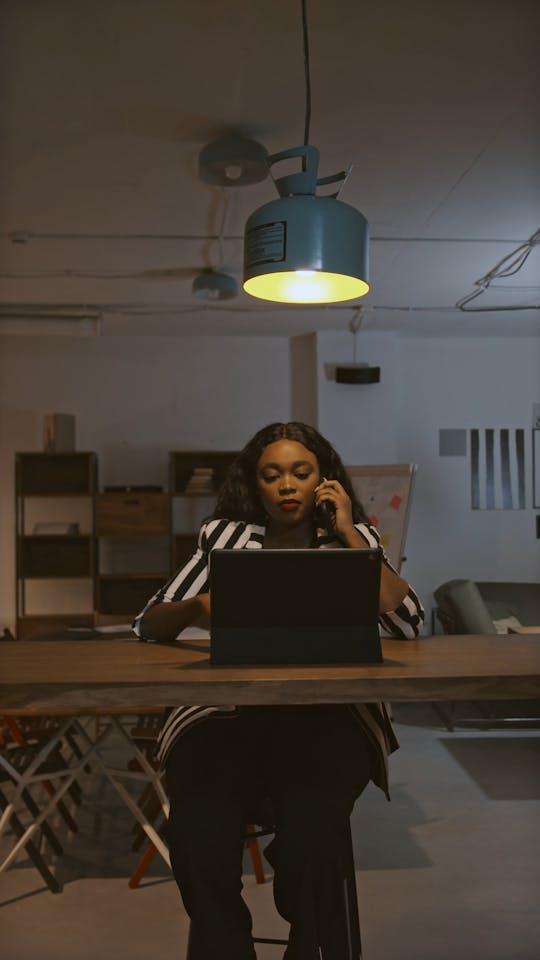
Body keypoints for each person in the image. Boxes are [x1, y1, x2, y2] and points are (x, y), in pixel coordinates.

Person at [133, 421, 424, 960]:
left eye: (301, 472)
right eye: (272, 475)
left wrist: (351, 536)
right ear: (256, 484)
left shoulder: (352, 540)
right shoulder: (223, 538)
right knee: (196, 834)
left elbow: (407, 624)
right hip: (223, 719)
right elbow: (148, 624)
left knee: (315, 832)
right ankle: (227, 946)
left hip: (327, 719)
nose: (287, 485)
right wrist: (199, 605)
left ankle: (307, 943)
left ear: (324, 481)